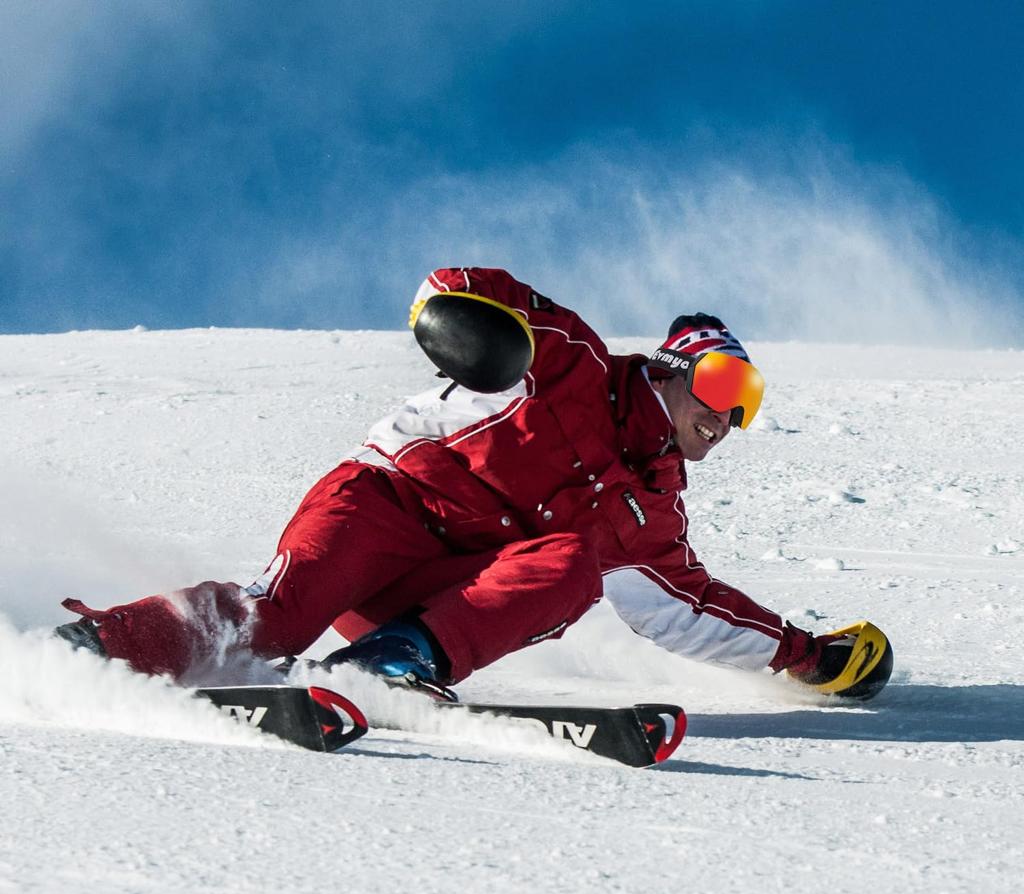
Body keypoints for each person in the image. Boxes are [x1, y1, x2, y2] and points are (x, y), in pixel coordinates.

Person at [56, 267, 888, 700]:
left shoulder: (651, 514)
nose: (727, 416)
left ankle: (391, 664)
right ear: (670, 370)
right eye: (721, 386)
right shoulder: (573, 363)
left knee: (574, 566)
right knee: (276, 619)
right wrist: (464, 328)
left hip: (429, 600)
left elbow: (690, 609)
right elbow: (464, 287)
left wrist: (806, 656)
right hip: (383, 507)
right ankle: (103, 647)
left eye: (746, 403)